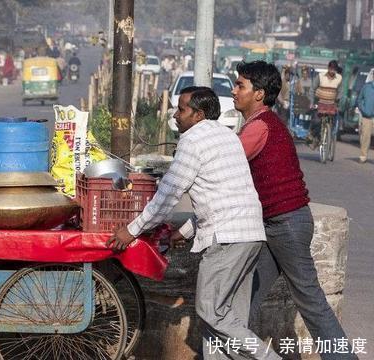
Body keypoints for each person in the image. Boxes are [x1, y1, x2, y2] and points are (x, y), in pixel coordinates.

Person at [108, 87, 279, 360]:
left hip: (227, 238)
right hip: (250, 234)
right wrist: (187, 231)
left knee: (211, 312)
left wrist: (131, 230)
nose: (176, 116)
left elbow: (168, 195)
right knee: (223, 321)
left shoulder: (192, 140)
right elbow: (220, 193)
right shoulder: (226, 136)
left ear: (198, 115)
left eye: (182, 110)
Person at [228, 61, 355, 359]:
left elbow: (224, 163)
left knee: (310, 302)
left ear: (258, 94)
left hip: (285, 225)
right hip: (278, 223)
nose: (234, 91)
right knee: (244, 297)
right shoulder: (260, 123)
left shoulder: (259, 127)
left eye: (240, 85)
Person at [308, 60, 343, 148]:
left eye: (334, 69)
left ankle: (329, 135)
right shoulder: (320, 76)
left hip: (331, 104)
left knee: (335, 121)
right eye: (331, 69)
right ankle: (314, 138)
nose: (332, 71)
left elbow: (340, 91)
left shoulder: (339, 78)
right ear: (328, 68)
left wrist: (338, 100)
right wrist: (312, 102)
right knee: (317, 121)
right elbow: (312, 89)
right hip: (319, 102)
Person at [357, 68, 374, 163]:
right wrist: (364, 110)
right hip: (367, 117)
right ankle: (363, 157)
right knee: (365, 138)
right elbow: (359, 100)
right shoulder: (366, 87)